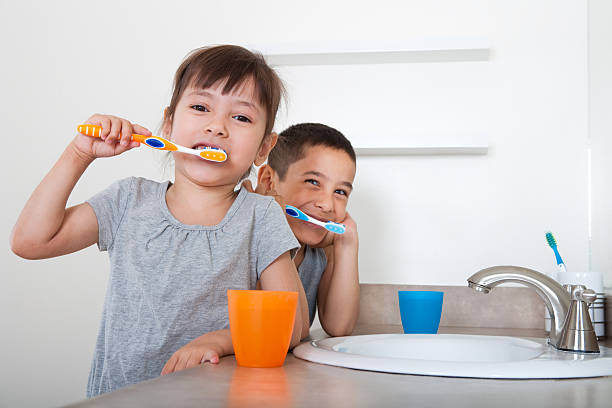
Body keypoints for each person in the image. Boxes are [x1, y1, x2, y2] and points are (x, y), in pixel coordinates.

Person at [10, 45, 307, 397]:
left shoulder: (260, 217)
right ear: (168, 124)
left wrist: (223, 340)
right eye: (200, 107)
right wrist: (79, 154)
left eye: (240, 117)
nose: (217, 127)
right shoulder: (127, 201)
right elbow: (30, 242)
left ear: (263, 149)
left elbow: (295, 325)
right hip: (117, 398)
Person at [246, 123, 359, 338]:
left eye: (340, 192)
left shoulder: (319, 252)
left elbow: (339, 327)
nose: (327, 205)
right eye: (313, 182)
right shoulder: (244, 235)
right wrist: (272, 225)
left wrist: (347, 244)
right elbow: (280, 327)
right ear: (269, 181)